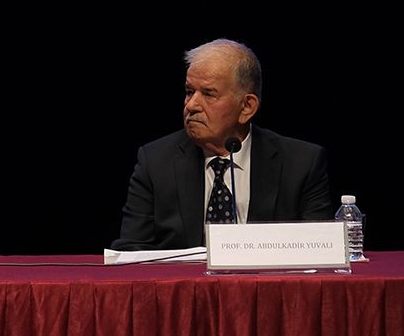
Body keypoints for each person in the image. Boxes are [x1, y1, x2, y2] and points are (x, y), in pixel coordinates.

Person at [112, 38, 332, 250]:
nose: (192, 105)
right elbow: (131, 251)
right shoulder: (155, 162)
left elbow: (321, 251)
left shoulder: (302, 164)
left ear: (247, 107)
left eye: (209, 94)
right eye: (189, 92)